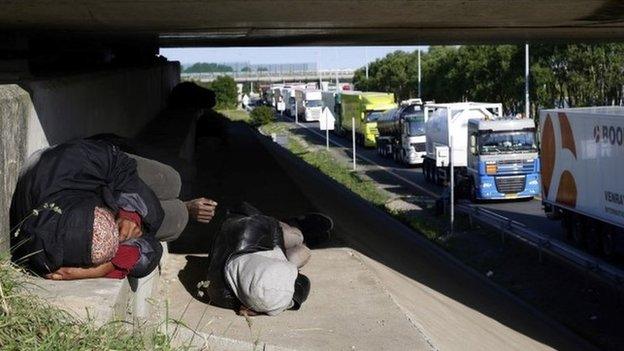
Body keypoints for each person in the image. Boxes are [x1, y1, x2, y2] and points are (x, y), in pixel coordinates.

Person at [10, 138, 217, 280]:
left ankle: (170, 204)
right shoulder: (50, 255)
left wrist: (130, 214)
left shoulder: (70, 160)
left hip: (100, 171)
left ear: (95, 209)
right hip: (91, 199)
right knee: (176, 219)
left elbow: (120, 164)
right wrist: (105, 268)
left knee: (171, 181)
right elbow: (150, 249)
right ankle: (186, 208)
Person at [204, 202, 332, 316]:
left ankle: (297, 228)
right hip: (260, 258)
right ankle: (304, 240)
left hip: (257, 242)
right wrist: (261, 306)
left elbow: (243, 208)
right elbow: (303, 284)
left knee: (291, 236)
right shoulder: (222, 293)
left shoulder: (248, 231)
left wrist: (255, 305)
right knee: (302, 253)